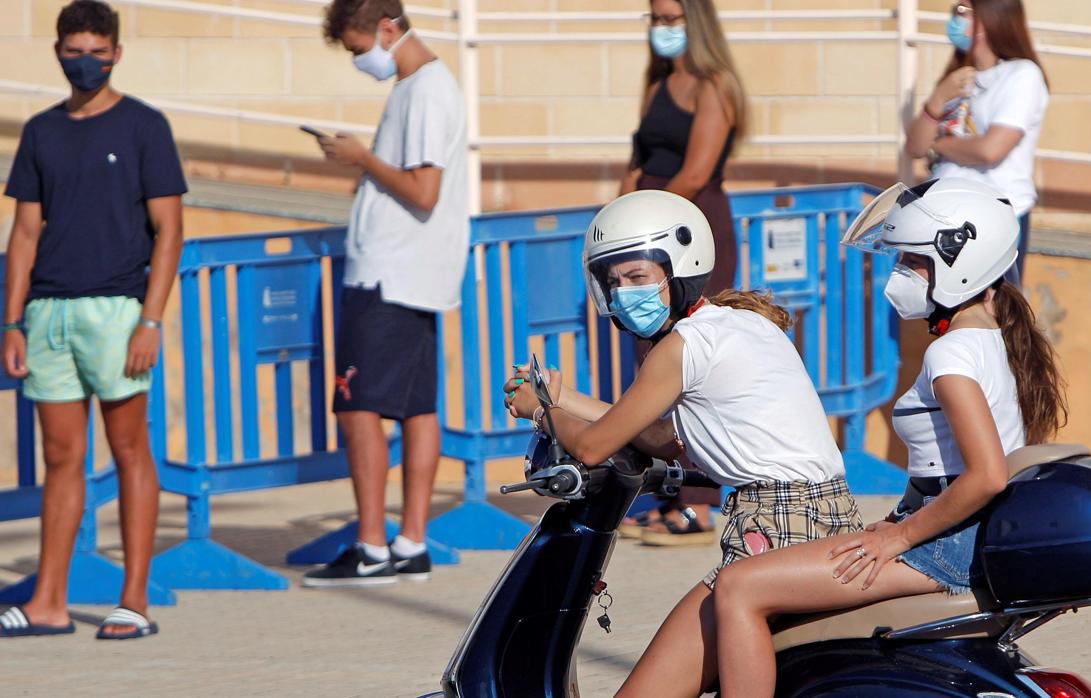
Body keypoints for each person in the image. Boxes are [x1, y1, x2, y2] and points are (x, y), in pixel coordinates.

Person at [710, 177, 1068, 696]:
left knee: (739, 586)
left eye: (912, 262)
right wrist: (897, 520)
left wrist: (901, 537)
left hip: (947, 546)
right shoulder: (1000, 341)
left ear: (957, 264)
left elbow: (986, 475)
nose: (899, 275)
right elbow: (952, 467)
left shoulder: (952, 353)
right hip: (960, 534)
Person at [502, 190, 861, 696]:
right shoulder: (740, 325)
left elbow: (591, 449)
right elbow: (661, 438)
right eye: (614, 282)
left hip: (775, 525)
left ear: (680, 268)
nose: (625, 292)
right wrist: (567, 399)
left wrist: (538, 412)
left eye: (638, 277)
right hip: (824, 517)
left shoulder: (682, 346)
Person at [0, 0, 185, 640]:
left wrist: (150, 321)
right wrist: (13, 321)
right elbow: (24, 233)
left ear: (116, 53)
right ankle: (49, 601)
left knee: (130, 449)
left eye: (97, 52)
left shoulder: (144, 126)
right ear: (57, 52)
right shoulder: (42, 131)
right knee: (61, 457)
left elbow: (169, 231)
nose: (86, 63)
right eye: (75, 51)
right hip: (48, 314)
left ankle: (133, 599)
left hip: (117, 312)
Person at [301, 0, 468, 587]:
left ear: (388, 29)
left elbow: (423, 191)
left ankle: (372, 544)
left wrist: (361, 157)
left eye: (356, 48)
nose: (358, 61)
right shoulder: (421, 86)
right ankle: (410, 541)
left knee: (357, 405)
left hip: (390, 274)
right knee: (418, 408)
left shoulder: (424, 89)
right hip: (414, 273)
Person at [618, 0, 747, 544]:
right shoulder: (655, 87)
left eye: (671, 17)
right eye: (654, 17)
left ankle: (697, 501)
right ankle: (662, 491)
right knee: (651, 364)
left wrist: (647, 225)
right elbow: (636, 164)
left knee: (692, 364)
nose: (662, 27)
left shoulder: (714, 86)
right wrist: (620, 226)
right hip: (645, 235)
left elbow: (694, 173)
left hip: (689, 231)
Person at [904, 0, 1048, 285]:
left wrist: (941, 145)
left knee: (995, 312)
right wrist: (937, 100)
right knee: (944, 311)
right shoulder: (956, 79)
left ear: (990, 17)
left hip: (996, 215)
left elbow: (990, 149)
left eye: (962, 11)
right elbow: (916, 147)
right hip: (945, 212)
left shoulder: (1021, 74)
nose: (955, 20)